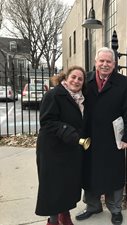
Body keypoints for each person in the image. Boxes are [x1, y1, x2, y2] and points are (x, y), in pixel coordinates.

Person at [76, 47, 127, 225]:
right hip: (89, 136)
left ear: (114, 64)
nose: (104, 64)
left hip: (113, 137)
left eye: (109, 61)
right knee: (89, 172)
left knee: (114, 174)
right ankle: (93, 206)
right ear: (95, 62)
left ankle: (115, 209)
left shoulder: (124, 83)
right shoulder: (85, 80)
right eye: (101, 61)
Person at [35, 66, 87, 225]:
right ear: (65, 77)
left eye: (80, 79)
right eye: (73, 77)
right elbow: (47, 121)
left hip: (70, 148)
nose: (76, 81)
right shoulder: (54, 94)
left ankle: (65, 214)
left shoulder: (81, 97)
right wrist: (68, 132)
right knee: (53, 187)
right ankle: (52, 221)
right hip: (52, 149)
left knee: (67, 184)